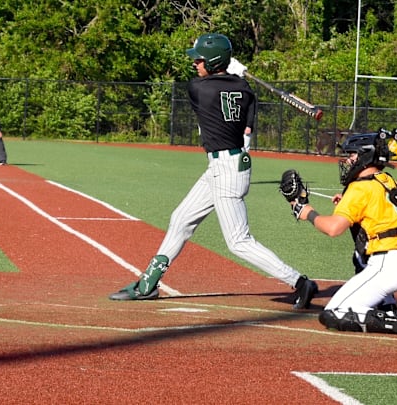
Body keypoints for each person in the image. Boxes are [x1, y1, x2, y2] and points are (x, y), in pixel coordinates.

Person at [109, 33, 318, 309]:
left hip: (227, 170)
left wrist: (231, 71)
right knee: (181, 219)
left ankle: (300, 282)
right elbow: (243, 102)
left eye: (200, 59)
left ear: (214, 62)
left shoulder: (199, 89)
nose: (195, 63)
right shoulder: (244, 89)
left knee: (238, 242)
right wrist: (236, 74)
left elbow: (213, 86)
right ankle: (149, 283)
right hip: (224, 165)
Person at [287, 131, 397, 335]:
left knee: (334, 314)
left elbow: (334, 228)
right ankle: (387, 307)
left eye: (352, 155)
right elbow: (377, 210)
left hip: (390, 265)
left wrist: (308, 213)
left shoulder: (359, 188)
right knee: (359, 255)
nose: (348, 160)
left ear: (365, 156)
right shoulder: (385, 178)